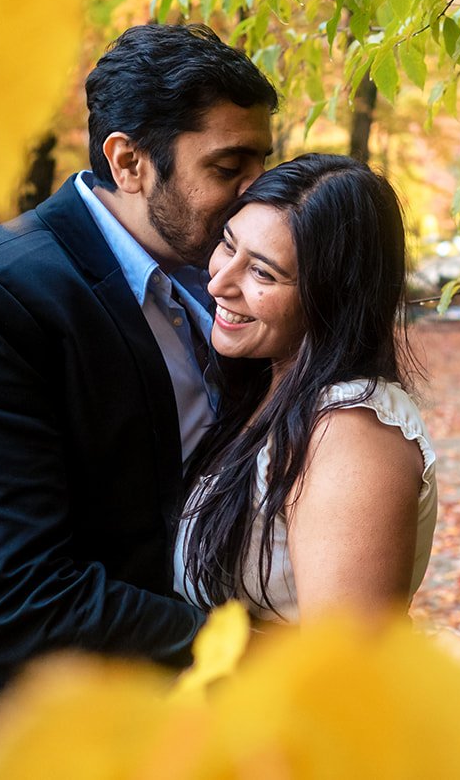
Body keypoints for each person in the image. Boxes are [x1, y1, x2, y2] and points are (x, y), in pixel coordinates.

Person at [0, 23, 276, 779]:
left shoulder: (214, 288)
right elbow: (13, 596)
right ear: (129, 161)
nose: (256, 193)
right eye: (228, 167)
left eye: (262, 165)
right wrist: (245, 650)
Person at [175, 154, 436, 622]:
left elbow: (345, 659)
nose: (218, 283)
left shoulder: (350, 433)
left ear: (331, 298)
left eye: (262, 272)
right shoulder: (268, 389)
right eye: (228, 245)